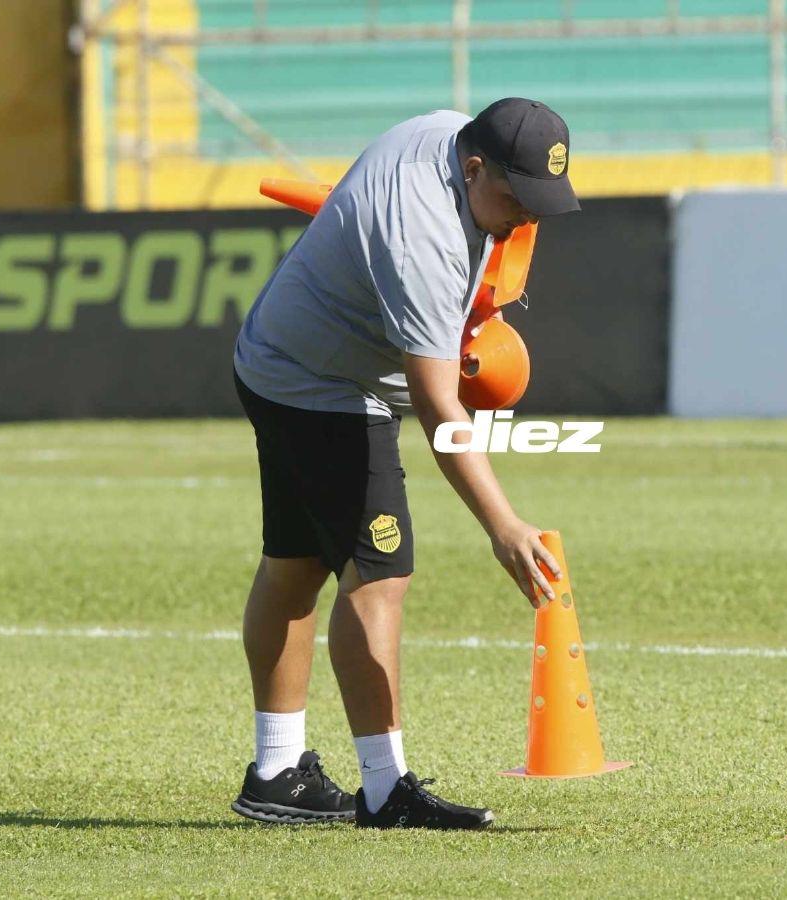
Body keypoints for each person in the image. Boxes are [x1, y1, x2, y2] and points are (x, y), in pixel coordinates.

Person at [230, 98, 580, 830]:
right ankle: (386, 792)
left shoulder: (453, 133)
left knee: (295, 566)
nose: (520, 216)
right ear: (474, 166)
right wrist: (503, 525)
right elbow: (439, 407)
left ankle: (275, 771)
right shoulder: (422, 233)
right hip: (325, 386)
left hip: (280, 356)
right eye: (513, 199)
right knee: (379, 576)